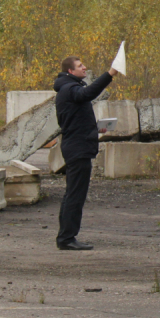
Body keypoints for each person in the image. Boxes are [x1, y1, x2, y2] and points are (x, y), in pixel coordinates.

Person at [52, 56, 118, 251]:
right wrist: (111, 74)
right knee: (74, 195)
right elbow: (88, 93)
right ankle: (66, 238)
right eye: (81, 66)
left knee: (73, 194)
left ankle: (66, 237)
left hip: (77, 145)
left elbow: (74, 121)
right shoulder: (69, 89)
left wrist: (95, 129)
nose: (85, 68)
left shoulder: (68, 88)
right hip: (77, 149)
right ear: (71, 71)